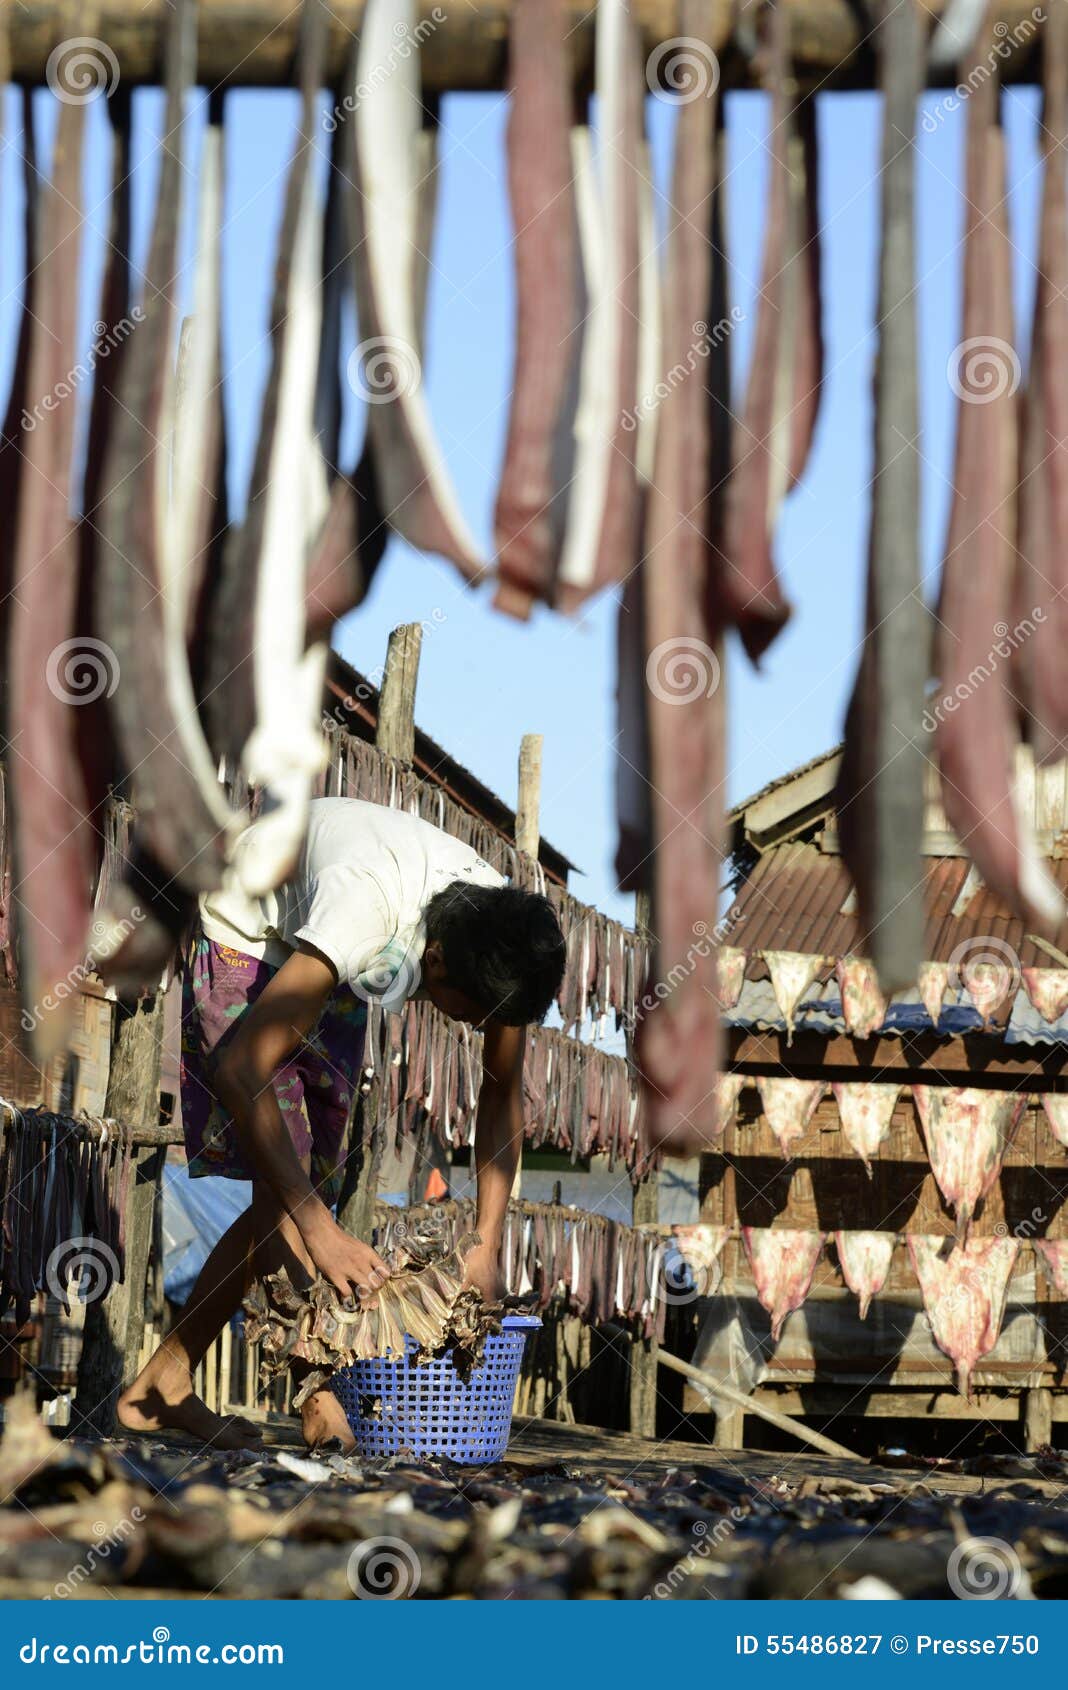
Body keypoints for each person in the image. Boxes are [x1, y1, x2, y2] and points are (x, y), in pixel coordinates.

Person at [117, 797, 566, 1450]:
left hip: (332, 946)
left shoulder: (501, 937)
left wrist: (487, 1243)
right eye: (469, 1015)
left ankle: (162, 1385)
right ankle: (320, 1395)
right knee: (290, 1191)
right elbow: (240, 1069)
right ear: (434, 962)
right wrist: (321, 1230)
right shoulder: (365, 909)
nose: (473, 1030)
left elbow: (502, 1093)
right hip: (249, 925)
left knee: (301, 1185)